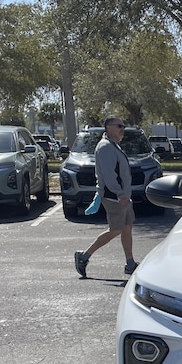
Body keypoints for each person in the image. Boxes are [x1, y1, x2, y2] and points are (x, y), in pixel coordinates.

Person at [74, 116, 138, 278]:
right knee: (116, 229)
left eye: (123, 126)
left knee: (127, 227)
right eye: (119, 126)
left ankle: (130, 263)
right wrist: (120, 194)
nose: (122, 129)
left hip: (122, 196)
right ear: (109, 128)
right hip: (114, 197)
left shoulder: (113, 146)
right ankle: (84, 256)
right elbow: (109, 176)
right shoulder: (106, 148)